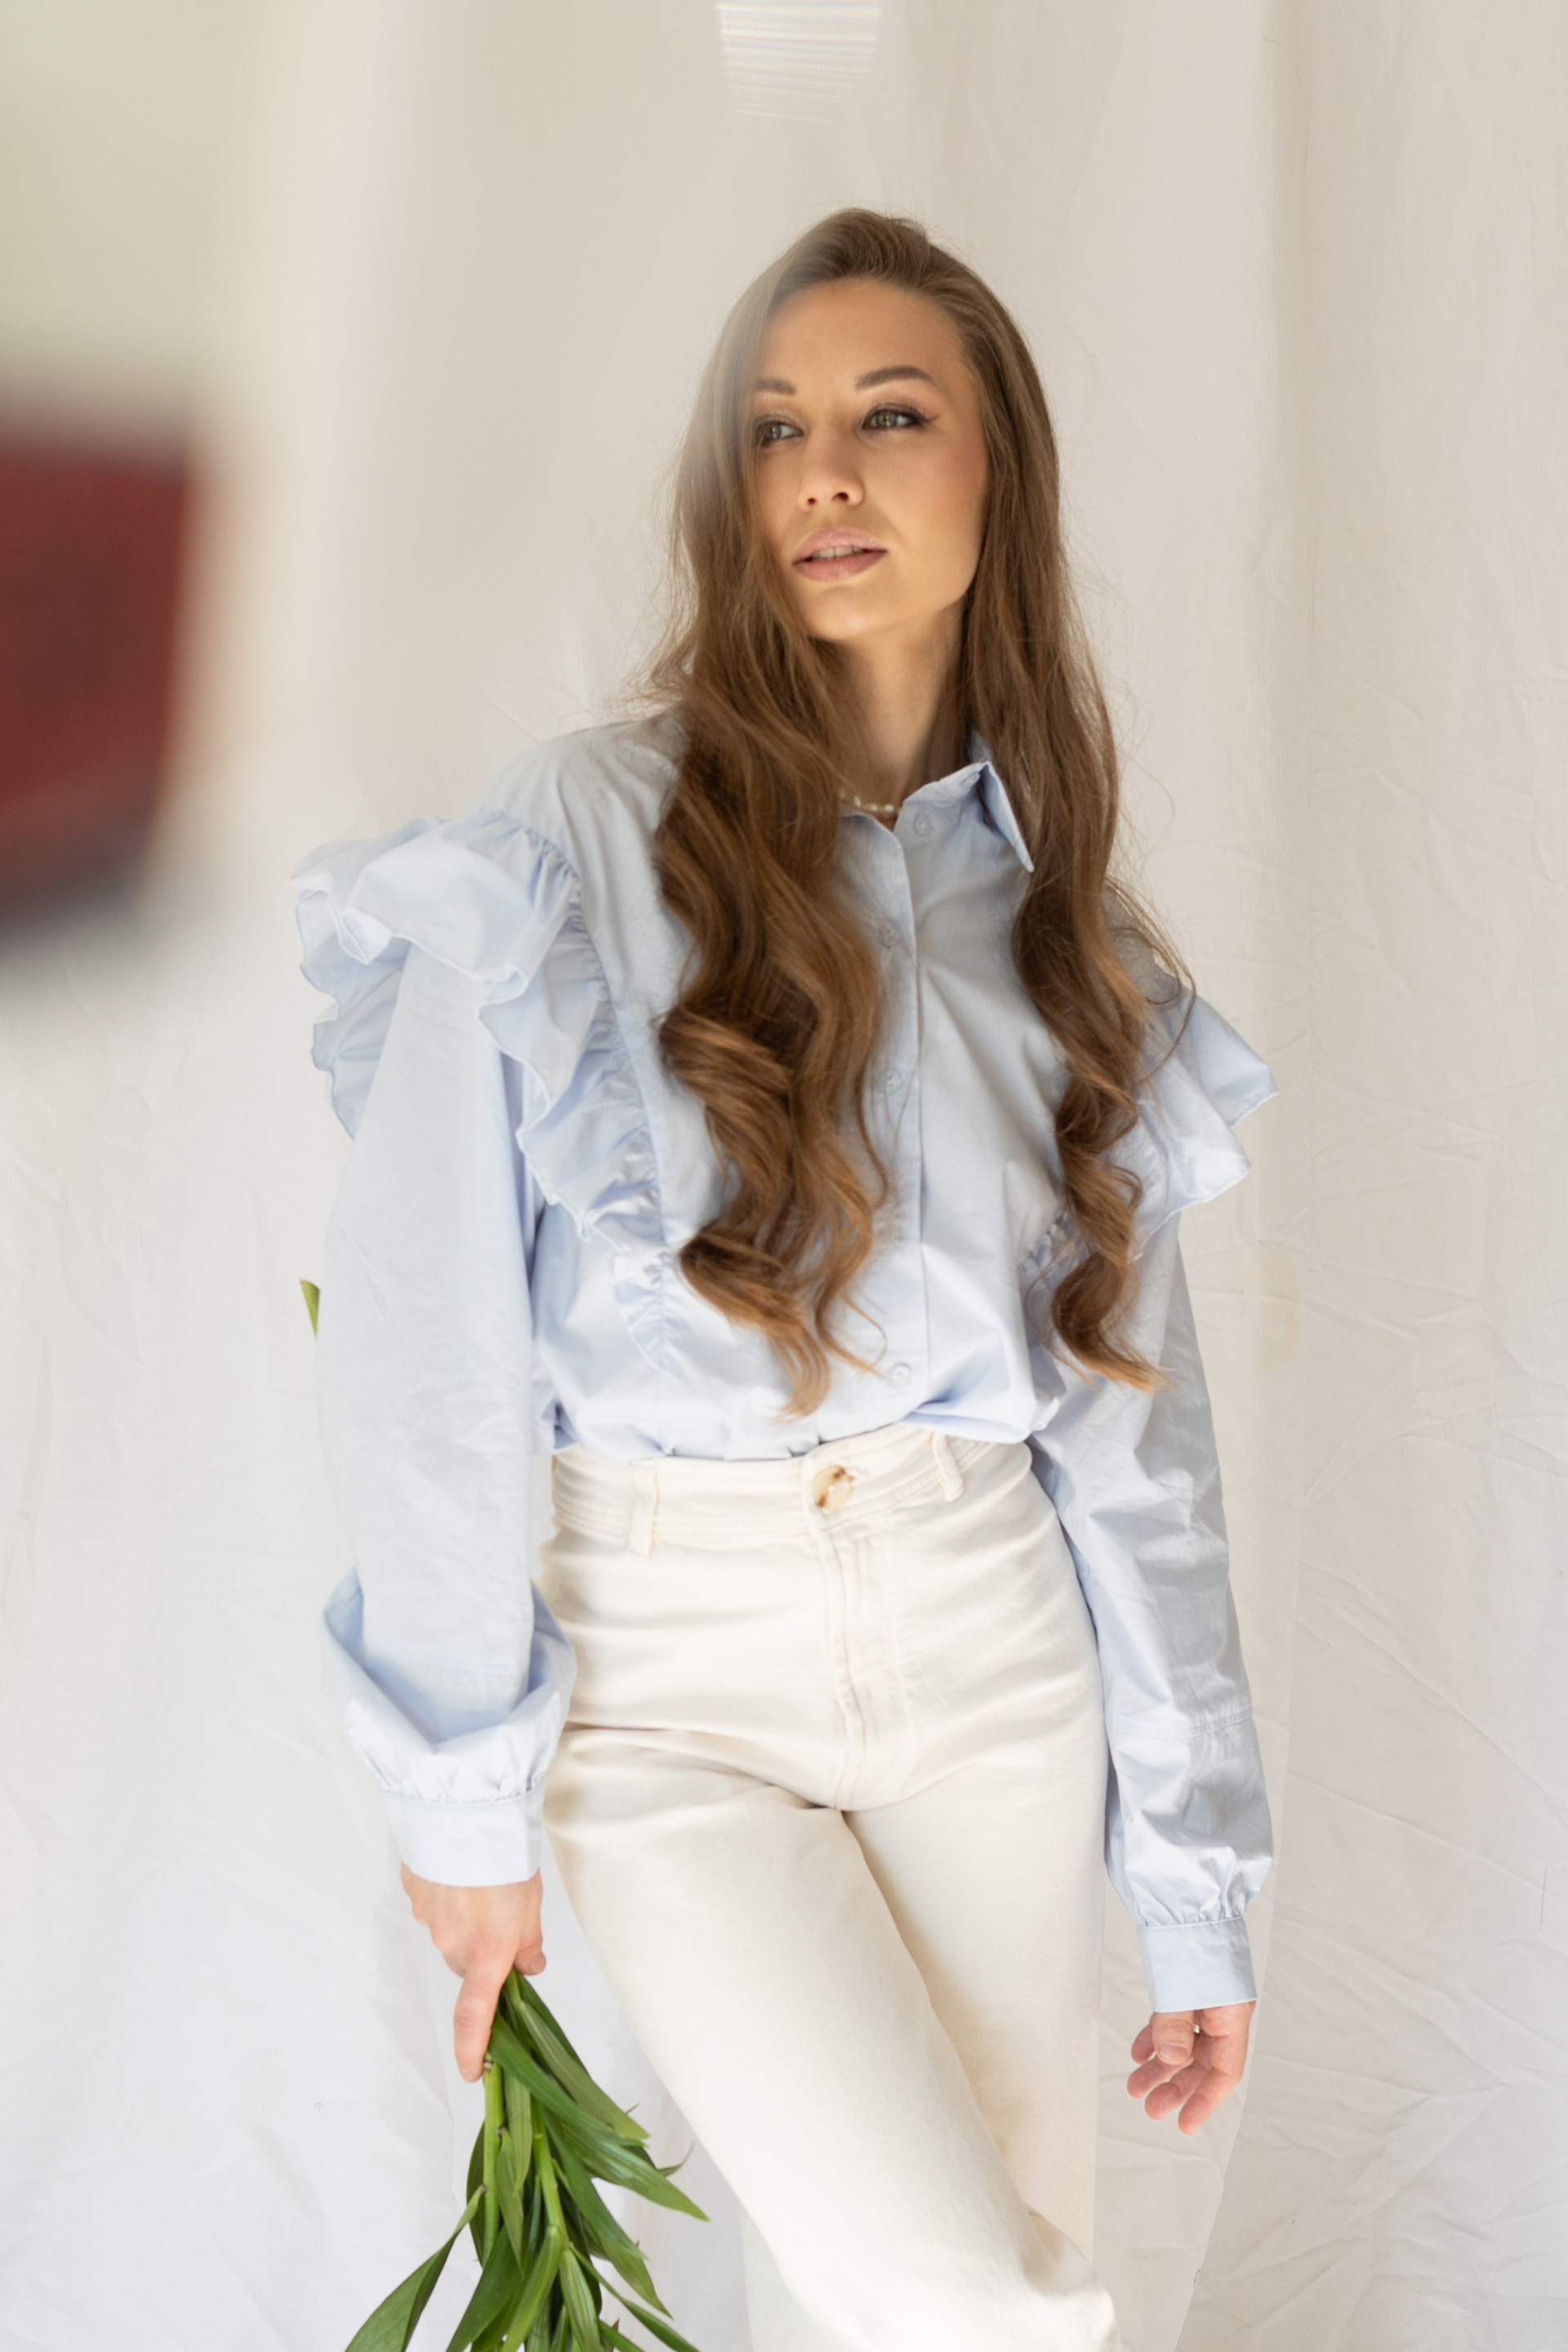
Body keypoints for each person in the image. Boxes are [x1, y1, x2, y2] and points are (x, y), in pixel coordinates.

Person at [293, 208, 1274, 2352]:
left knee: (898, 2291)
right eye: (772, 425)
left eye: (889, 415)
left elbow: (1141, 1442)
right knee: (967, 2298)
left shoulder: (1072, 939)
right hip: (666, 1681)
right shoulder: (572, 840)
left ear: (996, 475)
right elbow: (426, 1340)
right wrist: (459, 1785)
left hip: (993, 1653)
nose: (823, 469)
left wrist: (1197, 1875)